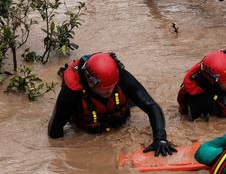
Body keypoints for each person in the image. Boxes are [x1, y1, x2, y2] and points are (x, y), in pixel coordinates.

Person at [47, 52, 177, 157]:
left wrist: (160, 139)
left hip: (119, 118)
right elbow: (55, 129)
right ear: (90, 82)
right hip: (87, 128)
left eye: (112, 86)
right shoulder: (71, 92)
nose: (109, 91)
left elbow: (151, 106)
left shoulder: (121, 76)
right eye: (104, 89)